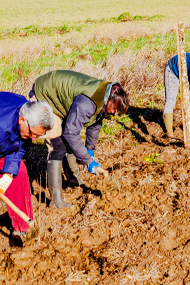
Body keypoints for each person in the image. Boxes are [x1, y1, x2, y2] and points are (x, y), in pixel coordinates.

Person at [30, 70, 129, 209]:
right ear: (111, 98)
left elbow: (95, 124)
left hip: (61, 101)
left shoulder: (104, 98)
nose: (113, 112)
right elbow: (71, 133)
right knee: (58, 145)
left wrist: (90, 150)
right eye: (114, 108)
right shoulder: (88, 102)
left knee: (71, 143)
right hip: (46, 96)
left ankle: (74, 181)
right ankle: (56, 200)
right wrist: (88, 162)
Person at [0, 94, 56, 241]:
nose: (34, 139)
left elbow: (20, 146)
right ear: (22, 120)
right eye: (33, 134)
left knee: (19, 171)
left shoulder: (29, 110)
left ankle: (22, 227)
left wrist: (8, 174)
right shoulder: (2, 127)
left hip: (5, 142)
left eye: (38, 135)